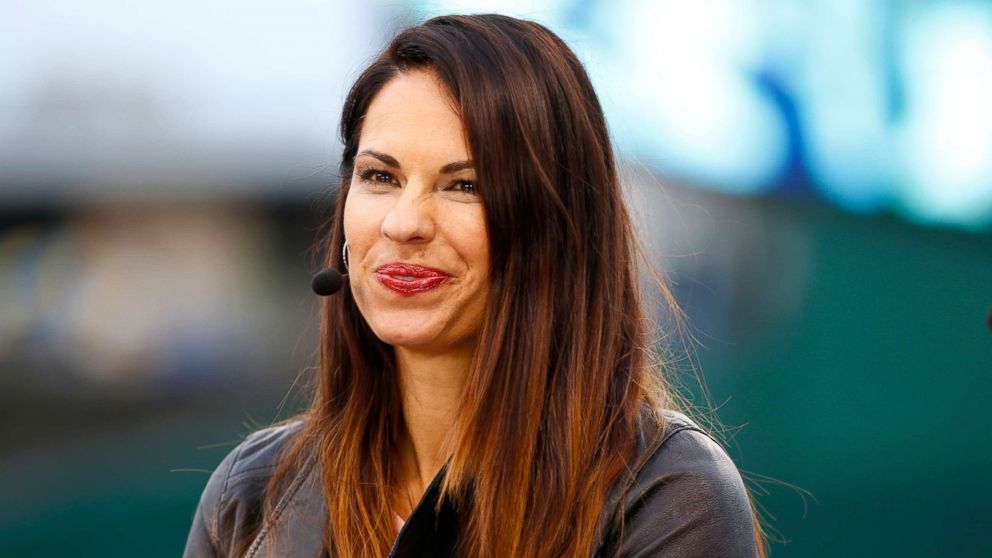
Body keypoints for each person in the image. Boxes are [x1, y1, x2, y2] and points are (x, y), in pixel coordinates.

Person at [183, 13, 766, 558]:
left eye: (464, 186)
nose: (404, 223)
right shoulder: (251, 495)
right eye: (380, 176)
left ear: (556, 227)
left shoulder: (666, 498)